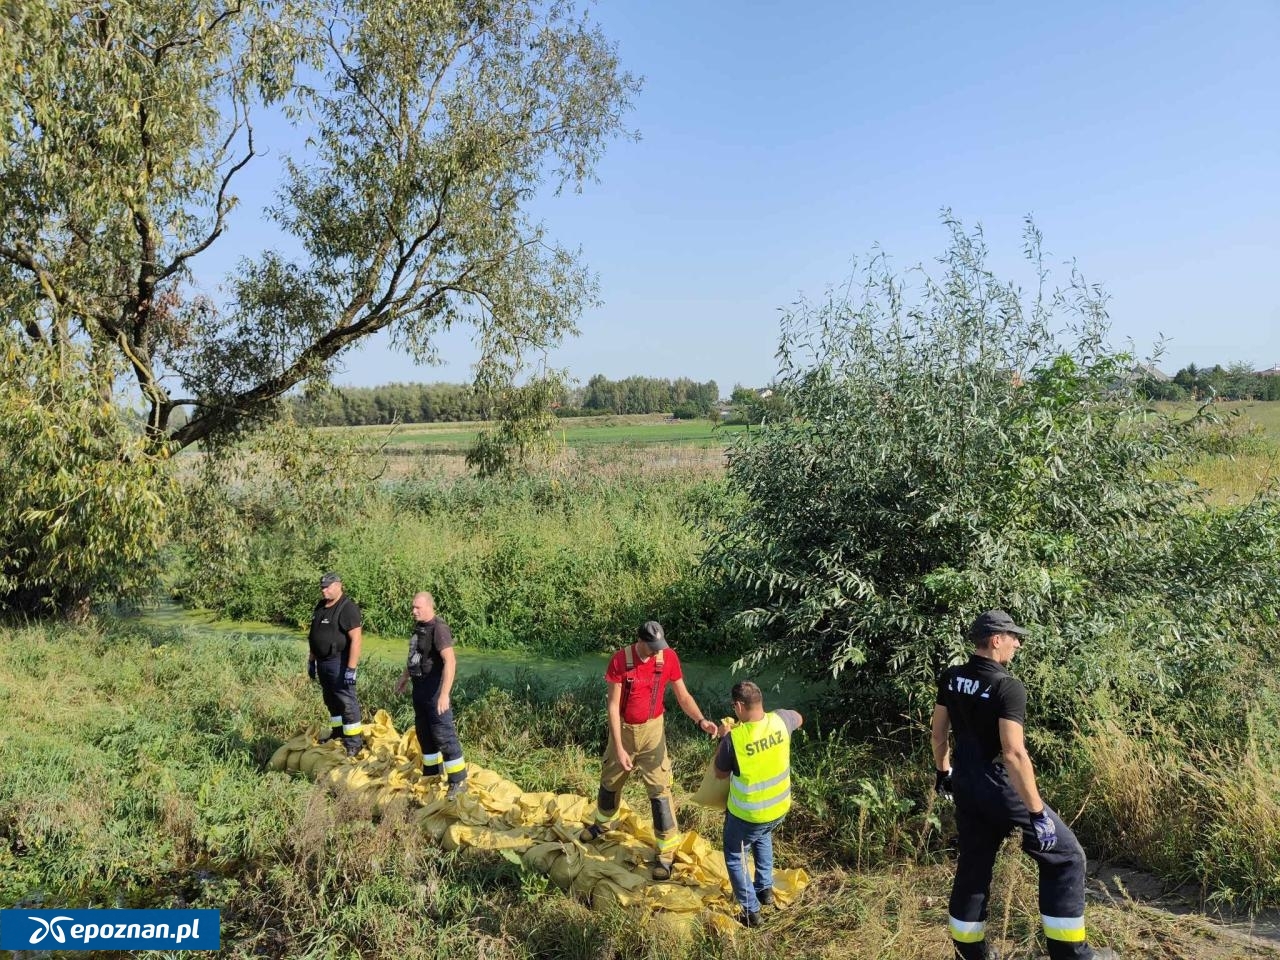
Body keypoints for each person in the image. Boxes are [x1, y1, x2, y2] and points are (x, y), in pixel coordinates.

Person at [932, 610, 1118, 960]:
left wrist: (944, 773)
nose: (1017, 644)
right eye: (1013, 636)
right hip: (999, 788)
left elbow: (938, 732)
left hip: (966, 786)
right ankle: (1072, 954)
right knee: (1065, 856)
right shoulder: (1007, 686)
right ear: (995, 639)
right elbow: (1014, 753)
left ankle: (971, 953)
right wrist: (1036, 812)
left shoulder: (952, 677)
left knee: (974, 863)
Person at [580, 620, 719, 880]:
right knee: (610, 781)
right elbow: (612, 706)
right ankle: (602, 824)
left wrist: (701, 720)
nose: (657, 651)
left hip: (653, 731)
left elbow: (683, 696)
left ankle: (665, 854)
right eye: (652, 647)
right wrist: (620, 747)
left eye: (660, 646)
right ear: (640, 641)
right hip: (625, 731)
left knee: (659, 790)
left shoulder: (667, 658)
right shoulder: (621, 661)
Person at [714, 680, 803, 928]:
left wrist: (722, 739)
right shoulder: (781, 720)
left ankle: (750, 910)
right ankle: (764, 889)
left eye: (734, 706)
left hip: (747, 814)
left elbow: (720, 774)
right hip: (779, 808)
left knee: (735, 856)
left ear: (740, 706)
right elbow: (799, 717)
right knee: (762, 837)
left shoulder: (734, 739)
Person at [395, 591, 468, 799]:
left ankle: (458, 780)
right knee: (424, 735)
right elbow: (416, 656)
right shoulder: (420, 628)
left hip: (435, 692)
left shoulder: (439, 628)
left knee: (443, 735)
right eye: (412, 607)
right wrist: (404, 677)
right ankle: (432, 774)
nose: (413, 611)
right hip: (420, 690)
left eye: (417, 607)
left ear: (429, 607)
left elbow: (450, 662)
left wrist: (444, 694)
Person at [306, 572, 364, 756]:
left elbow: (356, 640)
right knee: (331, 700)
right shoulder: (321, 606)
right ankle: (338, 733)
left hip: (339, 662)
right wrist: (311, 661)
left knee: (346, 702)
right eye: (322, 587)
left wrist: (351, 669)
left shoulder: (347, 608)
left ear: (339, 585)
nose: (324, 590)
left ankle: (354, 742)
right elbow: (314, 635)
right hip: (322, 662)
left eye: (328, 587)